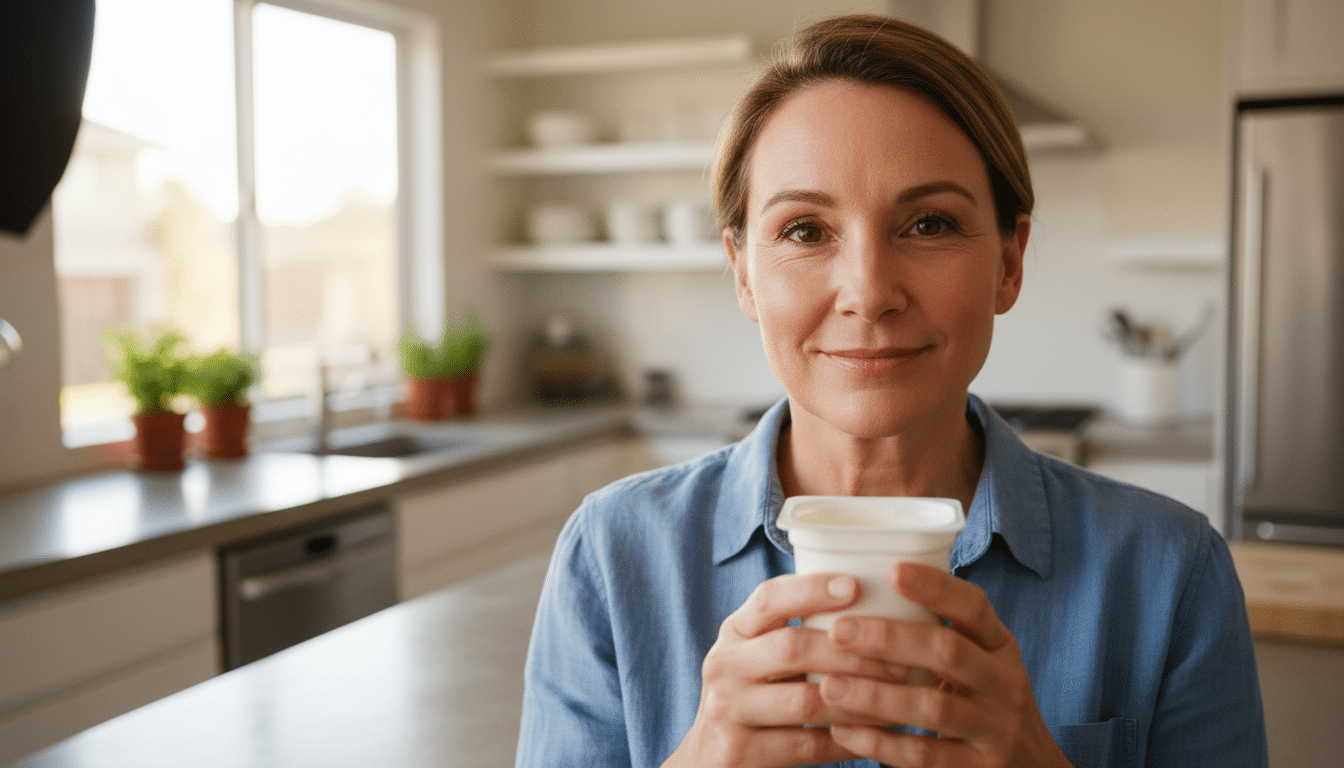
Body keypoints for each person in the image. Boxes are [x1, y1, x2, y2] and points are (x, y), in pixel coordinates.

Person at [515, 14, 1266, 768]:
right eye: (806, 231)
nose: (868, 293)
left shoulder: (1172, 574)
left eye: (930, 223)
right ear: (743, 272)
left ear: (1009, 261)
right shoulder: (610, 560)